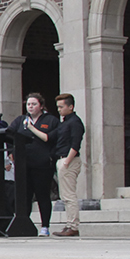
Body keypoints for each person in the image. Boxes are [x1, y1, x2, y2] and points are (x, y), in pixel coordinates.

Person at [12, 93, 59, 236]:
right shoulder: (20, 120)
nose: (30, 107)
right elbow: (10, 133)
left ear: (41, 106)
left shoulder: (51, 120)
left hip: (42, 164)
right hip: (23, 163)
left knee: (42, 195)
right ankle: (24, 224)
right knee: (24, 195)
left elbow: (51, 138)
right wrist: (11, 152)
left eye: (34, 104)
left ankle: (45, 226)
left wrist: (32, 128)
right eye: (28, 104)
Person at [52, 93, 86, 237]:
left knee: (69, 195)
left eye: (61, 107)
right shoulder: (65, 122)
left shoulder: (75, 122)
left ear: (70, 107)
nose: (59, 110)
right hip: (63, 159)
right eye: (58, 107)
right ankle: (69, 224)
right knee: (65, 195)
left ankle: (73, 225)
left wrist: (67, 161)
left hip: (69, 160)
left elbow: (75, 144)